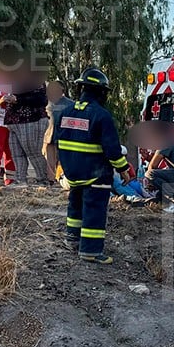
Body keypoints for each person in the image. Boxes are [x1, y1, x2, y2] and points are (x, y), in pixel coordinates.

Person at [52, 67, 132, 265]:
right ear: (101, 92)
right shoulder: (101, 116)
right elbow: (113, 150)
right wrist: (123, 169)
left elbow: (58, 144)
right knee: (94, 210)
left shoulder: (65, 113)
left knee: (75, 204)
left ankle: (72, 239)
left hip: (72, 172)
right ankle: (90, 250)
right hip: (95, 173)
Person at [4, 69, 51, 185]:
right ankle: (20, 180)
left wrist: (18, 100)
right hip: (14, 121)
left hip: (31, 119)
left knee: (33, 151)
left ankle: (43, 179)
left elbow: (41, 100)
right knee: (16, 153)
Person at [42, 80, 74, 182]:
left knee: (63, 159)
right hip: (49, 135)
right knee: (49, 159)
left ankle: (62, 179)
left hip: (64, 137)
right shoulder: (45, 102)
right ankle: (51, 179)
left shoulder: (70, 104)